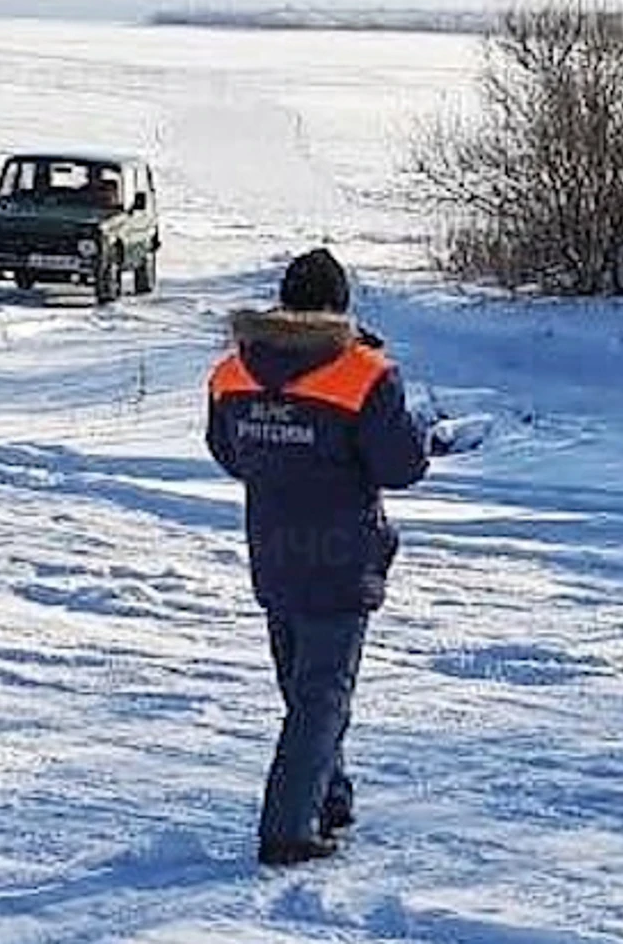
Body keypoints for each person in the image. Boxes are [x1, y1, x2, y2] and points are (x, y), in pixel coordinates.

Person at [205, 248, 430, 866]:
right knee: (322, 696)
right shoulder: (364, 372)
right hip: (341, 555)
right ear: (340, 305)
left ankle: (330, 797)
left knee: (304, 689)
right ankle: (288, 828)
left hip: (272, 552)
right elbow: (402, 465)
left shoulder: (232, 372)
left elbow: (227, 454)